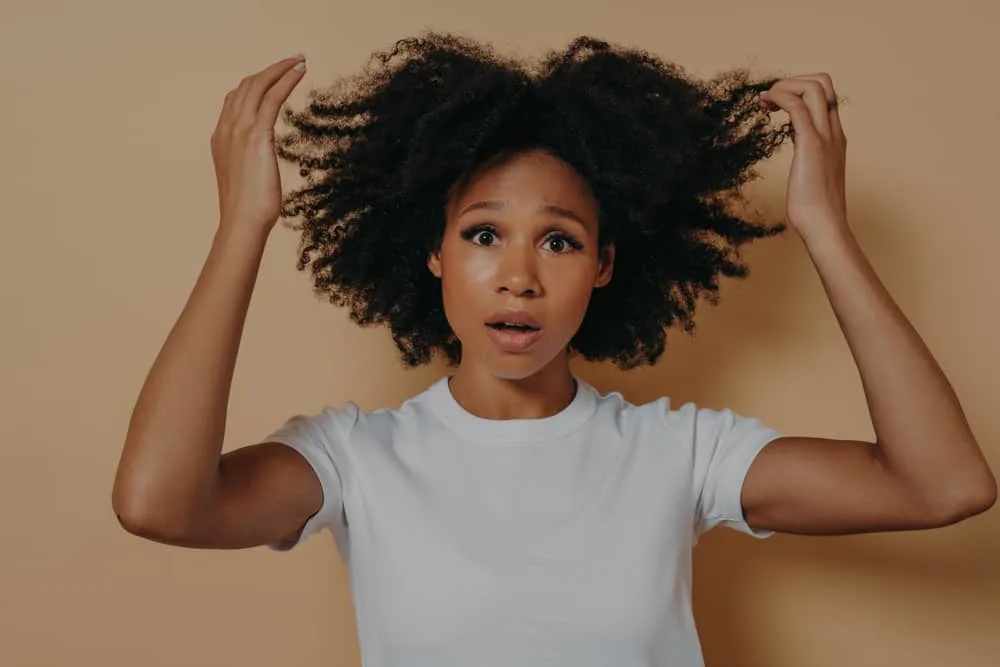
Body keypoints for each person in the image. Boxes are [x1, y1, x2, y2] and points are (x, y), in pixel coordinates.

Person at [112, 33, 996, 667]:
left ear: (606, 264)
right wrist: (243, 227)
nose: (520, 276)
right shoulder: (355, 460)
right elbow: (159, 503)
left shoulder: (679, 453)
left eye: (562, 241)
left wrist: (822, 227)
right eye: (484, 234)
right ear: (434, 254)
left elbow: (942, 483)